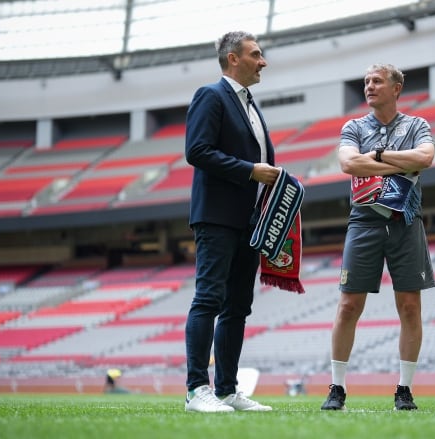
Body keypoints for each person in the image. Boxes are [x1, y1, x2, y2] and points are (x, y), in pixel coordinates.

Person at [321, 63, 435, 411]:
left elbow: (426, 157)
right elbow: (348, 164)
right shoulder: (353, 127)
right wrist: (403, 165)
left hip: (406, 222)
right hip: (364, 222)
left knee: (410, 307)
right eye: (366, 82)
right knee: (348, 306)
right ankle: (337, 388)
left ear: (396, 88)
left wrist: (380, 156)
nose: (369, 87)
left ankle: (404, 389)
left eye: (377, 81)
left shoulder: (417, 125)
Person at [183, 30, 281, 413]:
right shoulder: (211, 95)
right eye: (256, 54)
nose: (263, 61)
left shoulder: (250, 103)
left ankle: (225, 389)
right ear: (233, 58)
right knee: (209, 298)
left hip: (249, 221)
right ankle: (196, 390)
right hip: (217, 217)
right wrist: (249, 171)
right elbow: (197, 150)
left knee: (238, 306)